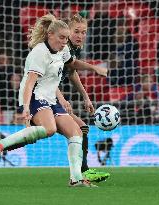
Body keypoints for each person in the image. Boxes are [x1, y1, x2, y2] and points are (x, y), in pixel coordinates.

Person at [0, 14, 107, 187]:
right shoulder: (39, 53)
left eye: (67, 38)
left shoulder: (63, 49)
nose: (65, 42)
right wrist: (26, 107)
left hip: (50, 97)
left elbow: (72, 65)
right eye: (62, 37)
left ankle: (76, 178)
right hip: (35, 96)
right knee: (49, 129)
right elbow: (30, 83)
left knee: (77, 131)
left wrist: (94, 68)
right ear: (50, 34)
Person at [58, 14, 110, 182]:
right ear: (68, 31)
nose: (80, 36)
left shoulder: (74, 49)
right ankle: (80, 173)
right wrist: (95, 68)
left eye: (84, 32)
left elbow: (71, 72)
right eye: (76, 31)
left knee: (81, 129)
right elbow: (71, 66)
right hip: (42, 97)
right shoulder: (62, 47)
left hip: (51, 96)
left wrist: (86, 97)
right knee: (77, 129)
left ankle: (81, 173)